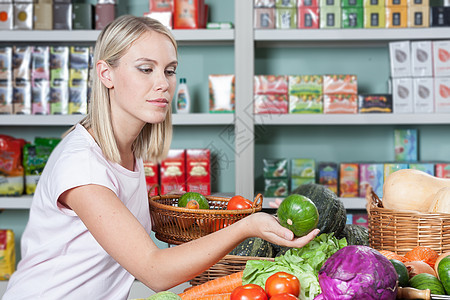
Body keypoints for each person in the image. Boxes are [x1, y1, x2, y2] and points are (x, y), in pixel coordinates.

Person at [2, 15, 319, 300]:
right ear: (106, 74)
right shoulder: (83, 165)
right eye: (145, 69)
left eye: (169, 71)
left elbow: (133, 230)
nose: (162, 84)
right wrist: (246, 226)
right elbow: (154, 273)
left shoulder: (126, 150)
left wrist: (248, 215)